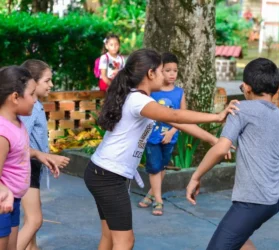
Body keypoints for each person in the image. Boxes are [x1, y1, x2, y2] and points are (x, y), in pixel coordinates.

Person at [84, 48, 238, 250]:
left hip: (102, 171)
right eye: (161, 71)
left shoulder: (138, 98)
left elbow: (179, 123)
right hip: (108, 175)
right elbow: (175, 117)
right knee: (125, 242)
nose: (166, 76)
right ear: (150, 73)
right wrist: (217, 116)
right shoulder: (139, 100)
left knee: (110, 237)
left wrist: (212, 139)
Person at [186, 58, 279, 250]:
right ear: (276, 89)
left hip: (253, 201)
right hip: (275, 199)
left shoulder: (240, 110)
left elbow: (221, 148)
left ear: (246, 87)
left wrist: (195, 176)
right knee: (240, 239)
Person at [17, 60, 70, 250]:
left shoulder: (35, 105)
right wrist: (45, 157)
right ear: (32, 82)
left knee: (31, 218)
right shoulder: (29, 109)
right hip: (25, 167)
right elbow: (19, 145)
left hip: (31, 166)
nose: (51, 85)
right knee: (35, 220)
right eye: (47, 80)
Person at [138, 52, 186, 216]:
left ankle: (151, 193)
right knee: (154, 168)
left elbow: (182, 116)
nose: (172, 74)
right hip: (152, 138)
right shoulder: (153, 92)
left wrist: (172, 132)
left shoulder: (179, 92)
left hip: (170, 138)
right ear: (159, 71)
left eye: (175, 70)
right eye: (167, 70)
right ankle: (159, 200)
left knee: (162, 166)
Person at [0, 66, 37, 250]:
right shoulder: (2, 132)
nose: (35, 101)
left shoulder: (16, 123)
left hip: (12, 202)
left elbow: (19, 152)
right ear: (15, 97)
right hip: (1, 205)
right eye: (32, 94)